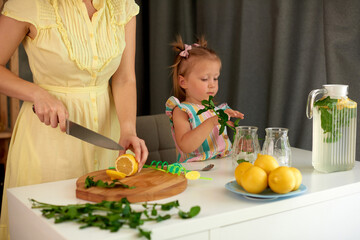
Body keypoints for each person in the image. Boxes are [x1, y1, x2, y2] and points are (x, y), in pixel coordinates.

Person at [0, 0, 148, 239]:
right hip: (47, 140)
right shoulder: (29, 4)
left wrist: (128, 128)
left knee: (103, 228)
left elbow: (124, 78)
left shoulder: (121, 5)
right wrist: (36, 93)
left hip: (106, 136)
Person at [165, 36, 244, 163]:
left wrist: (229, 122)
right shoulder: (182, 111)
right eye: (204, 79)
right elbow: (186, 146)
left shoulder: (214, 110)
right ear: (183, 82)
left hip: (220, 166)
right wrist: (211, 122)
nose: (212, 84)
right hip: (196, 171)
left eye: (215, 78)